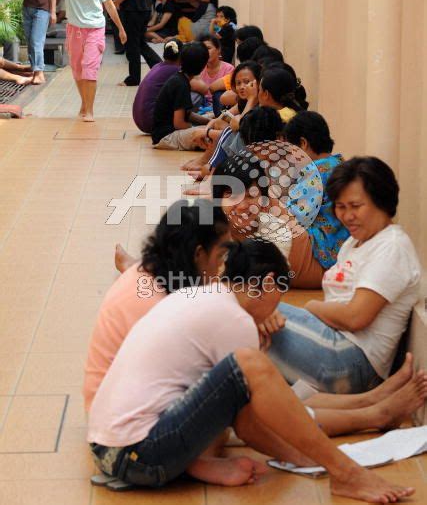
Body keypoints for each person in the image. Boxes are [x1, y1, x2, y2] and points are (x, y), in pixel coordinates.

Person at [87, 239, 415, 502]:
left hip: (111, 450)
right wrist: (308, 456)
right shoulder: (235, 319)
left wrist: (298, 454)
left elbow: (238, 416)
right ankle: (347, 472)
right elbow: (250, 424)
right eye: (279, 296)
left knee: (247, 373)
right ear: (269, 283)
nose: (276, 308)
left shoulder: (204, 297)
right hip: (137, 455)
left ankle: (201, 465)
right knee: (251, 365)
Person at [267, 156, 421, 393]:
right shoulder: (353, 243)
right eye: (340, 207)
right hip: (330, 341)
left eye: (356, 206)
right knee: (250, 316)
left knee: (249, 309)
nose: (347, 216)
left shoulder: (391, 246)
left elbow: (355, 317)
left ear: (382, 201)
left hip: (352, 361)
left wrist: (312, 307)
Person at [84, 199, 231, 411]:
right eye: (220, 256)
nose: (221, 265)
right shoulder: (158, 306)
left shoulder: (160, 274)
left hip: (123, 403)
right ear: (198, 255)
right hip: (124, 417)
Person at [44, 0, 127, 122]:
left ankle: (89, 110)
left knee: (90, 69)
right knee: (77, 70)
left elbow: (110, 6)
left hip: (95, 30)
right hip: (74, 31)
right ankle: (84, 103)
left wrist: (120, 28)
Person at [281, 111, 350, 288]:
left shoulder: (315, 173)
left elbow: (296, 216)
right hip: (340, 248)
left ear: (303, 144)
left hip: (322, 250)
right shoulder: (339, 164)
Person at [151, 42, 210, 150]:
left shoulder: (179, 79)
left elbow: (186, 114)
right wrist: (198, 128)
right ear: (202, 67)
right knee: (213, 134)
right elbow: (179, 123)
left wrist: (208, 122)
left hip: (163, 134)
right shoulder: (181, 84)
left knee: (211, 128)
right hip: (167, 137)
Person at [132, 39, 183, 134]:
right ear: (182, 55)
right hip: (152, 122)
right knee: (193, 94)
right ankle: (181, 123)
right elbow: (202, 88)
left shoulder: (157, 66)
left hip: (139, 120)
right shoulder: (176, 70)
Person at [199, 35, 234, 104]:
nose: (205, 52)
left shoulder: (228, 69)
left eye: (208, 48)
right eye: (203, 49)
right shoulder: (199, 68)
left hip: (221, 106)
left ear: (218, 49)